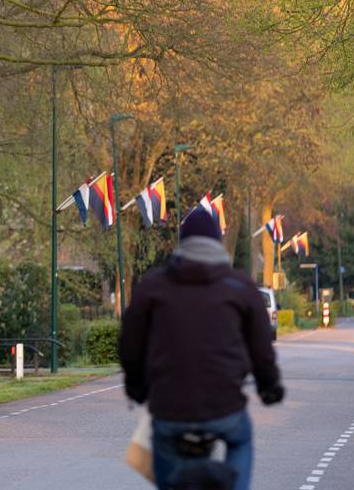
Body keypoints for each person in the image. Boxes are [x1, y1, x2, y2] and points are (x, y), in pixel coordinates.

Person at [119, 206, 284, 490]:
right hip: (225, 408)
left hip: (169, 409)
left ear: (182, 245)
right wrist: (268, 387)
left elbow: (130, 345)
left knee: (166, 465)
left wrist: (136, 387)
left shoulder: (153, 285)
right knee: (241, 440)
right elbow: (261, 350)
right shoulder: (241, 287)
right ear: (217, 245)